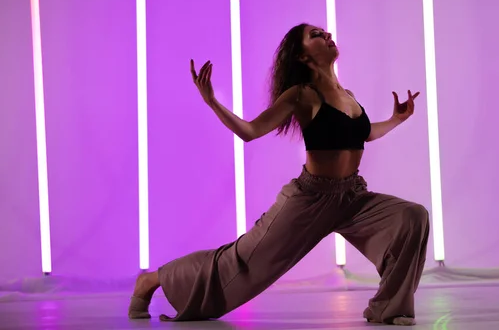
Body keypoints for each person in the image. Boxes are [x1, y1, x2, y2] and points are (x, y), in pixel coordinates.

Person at [128, 23, 429, 326]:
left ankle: (388, 309)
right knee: (241, 262)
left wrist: (396, 119)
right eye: (315, 35)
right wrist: (212, 102)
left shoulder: (347, 95)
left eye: (324, 32)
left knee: (411, 216)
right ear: (301, 57)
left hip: (353, 197)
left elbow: (363, 135)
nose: (326, 35)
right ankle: (151, 281)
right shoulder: (301, 95)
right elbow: (250, 131)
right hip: (310, 200)